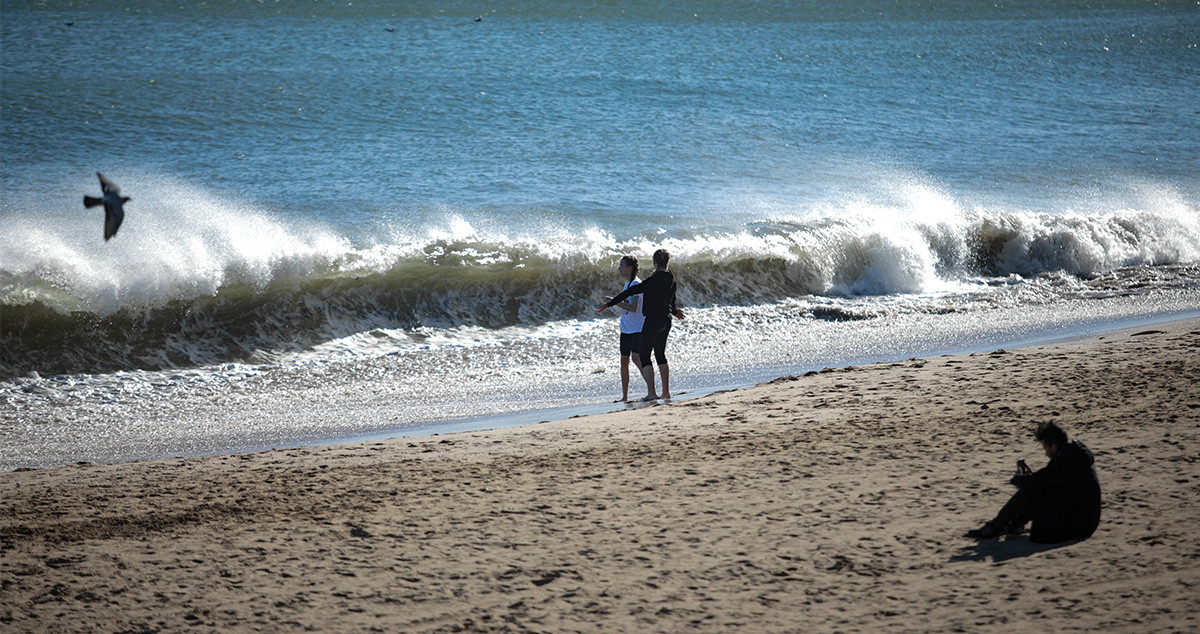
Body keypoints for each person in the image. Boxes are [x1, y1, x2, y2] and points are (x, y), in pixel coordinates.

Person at [966, 421, 1101, 543]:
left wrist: (1019, 478)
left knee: (1032, 491)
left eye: (1045, 448)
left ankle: (996, 527)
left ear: (1053, 446)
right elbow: (1049, 479)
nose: (1046, 453)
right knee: (1038, 488)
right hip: (1085, 519)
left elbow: (1040, 480)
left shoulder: (1065, 460)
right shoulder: (1074, 452)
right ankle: (1010, 525)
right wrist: (1029, 479)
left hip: (1078, 525)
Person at [596, 248, 685, 401]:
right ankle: (666, 392)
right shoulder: (672, 279)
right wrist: (675, 311)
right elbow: (672, 300)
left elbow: (630, 293)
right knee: (660, 355)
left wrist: (610, 304)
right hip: (666, 320)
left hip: (652, 321)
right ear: (667, 262)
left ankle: (651, 393)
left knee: (644, 355)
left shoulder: (651, 281)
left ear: (654, 262)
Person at [601, 255, 645, 402]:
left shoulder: (636, 285)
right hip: (626, 328)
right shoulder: (627, 285)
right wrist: (613, 302)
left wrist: (614, 302)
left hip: (637, 327)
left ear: (629, 268)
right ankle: (625, 396)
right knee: (624, 360)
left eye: (622, 266)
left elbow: (633, 308)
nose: (619, 268)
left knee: (636, 358)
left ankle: (651, 389)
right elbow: (627, 303)